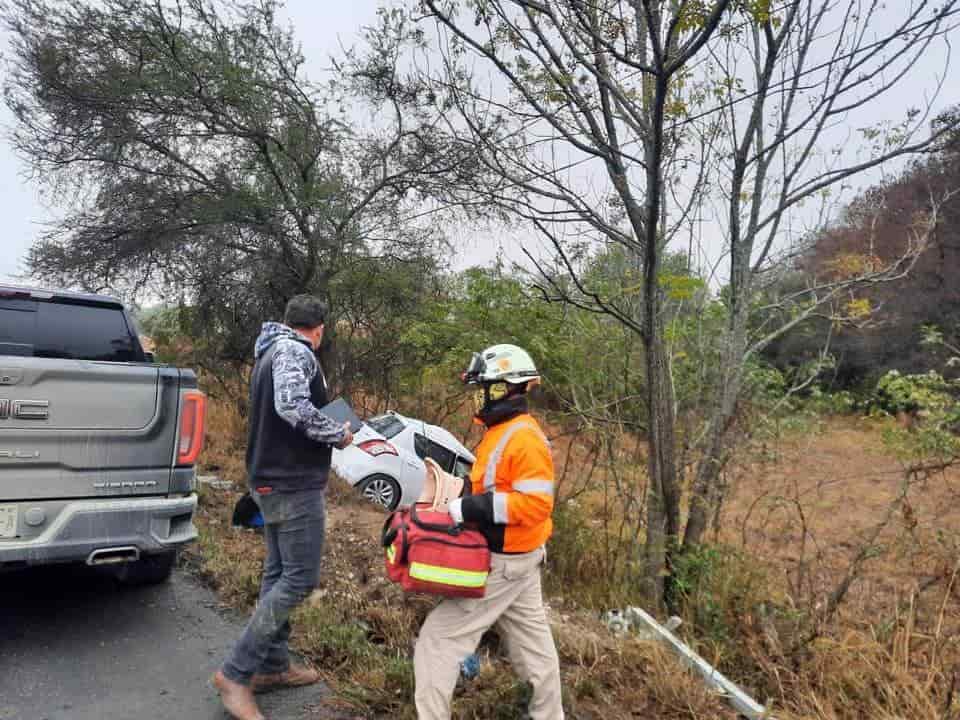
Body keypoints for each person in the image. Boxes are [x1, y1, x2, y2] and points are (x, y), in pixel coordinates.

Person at [213, 295, 353, 720]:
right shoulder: (296, 351)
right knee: (298, 579)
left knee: (277, 573)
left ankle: (273, 667)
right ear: (320, 328)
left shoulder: (270, 350)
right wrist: (337, 432)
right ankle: (235, 675)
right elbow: (291, 405)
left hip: (270, 479)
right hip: (292, 484)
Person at [413, 344, 564, 719]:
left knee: (438, 640)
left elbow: (534, 506)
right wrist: (456, 490)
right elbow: (492, 485)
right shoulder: (502, 431)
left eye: (487, 389)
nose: (481, 396)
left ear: (508, 389)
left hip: (505, 560)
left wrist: (467, 507)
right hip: (520, 559)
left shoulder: (524, 438)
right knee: (534, 649)